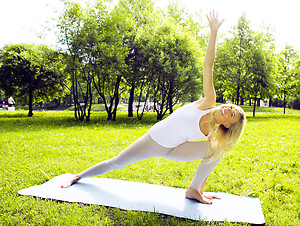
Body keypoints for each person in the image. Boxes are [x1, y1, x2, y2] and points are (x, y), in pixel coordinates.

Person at [61, 11, 246, 204]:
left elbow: (208, 159)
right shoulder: (208, 102)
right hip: (152, 140)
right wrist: (213, 31)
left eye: (231, 114)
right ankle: (78, 176)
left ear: (227, 125)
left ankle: (193, 190)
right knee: (116, 162)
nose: (227, 108)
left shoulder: (214, 132)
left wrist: (201, 187)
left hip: (174, 149)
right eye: (230, 106)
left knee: (217, 150)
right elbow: (209, 65)